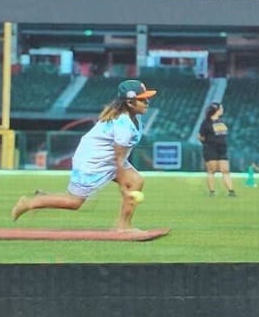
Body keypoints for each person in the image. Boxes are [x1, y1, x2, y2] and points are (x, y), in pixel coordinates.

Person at [11, 79, 156, 232]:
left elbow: (118, 157)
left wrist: (125, 185)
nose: (147, 102)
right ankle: (29, 203)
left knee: (136, 181)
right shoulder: (123, 125)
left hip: (107, 158)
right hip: (92, 161)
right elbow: (118, 158)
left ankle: (123, 226)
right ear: (130, 103)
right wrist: (122, 187)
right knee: (74, 202)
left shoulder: (134, 117)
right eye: (142, 99)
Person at [198, 102, 236, 197]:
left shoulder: (221, 121)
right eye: (221, 108)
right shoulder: (206, 123)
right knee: (212, 170)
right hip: (211, 149)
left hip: (222, 149)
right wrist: (207, 143)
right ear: (217, 110)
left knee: (225, 170)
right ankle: (212, 192)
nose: (222, 110)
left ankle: (231, 191)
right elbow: (200, 136)